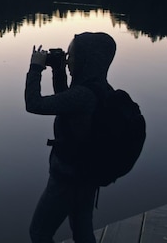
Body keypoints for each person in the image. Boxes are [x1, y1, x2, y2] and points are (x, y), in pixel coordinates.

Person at [24, 32, 116, 243]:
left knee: (39, 232)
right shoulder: (98, 88)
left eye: (72, 56)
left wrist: (35, 68)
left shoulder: (83, 95)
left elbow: (34, 104)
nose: (67, 60)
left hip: (67, 179)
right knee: (82, 231)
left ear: (86, 60)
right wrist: (57, 69)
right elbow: (66, 103)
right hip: (87, 175)